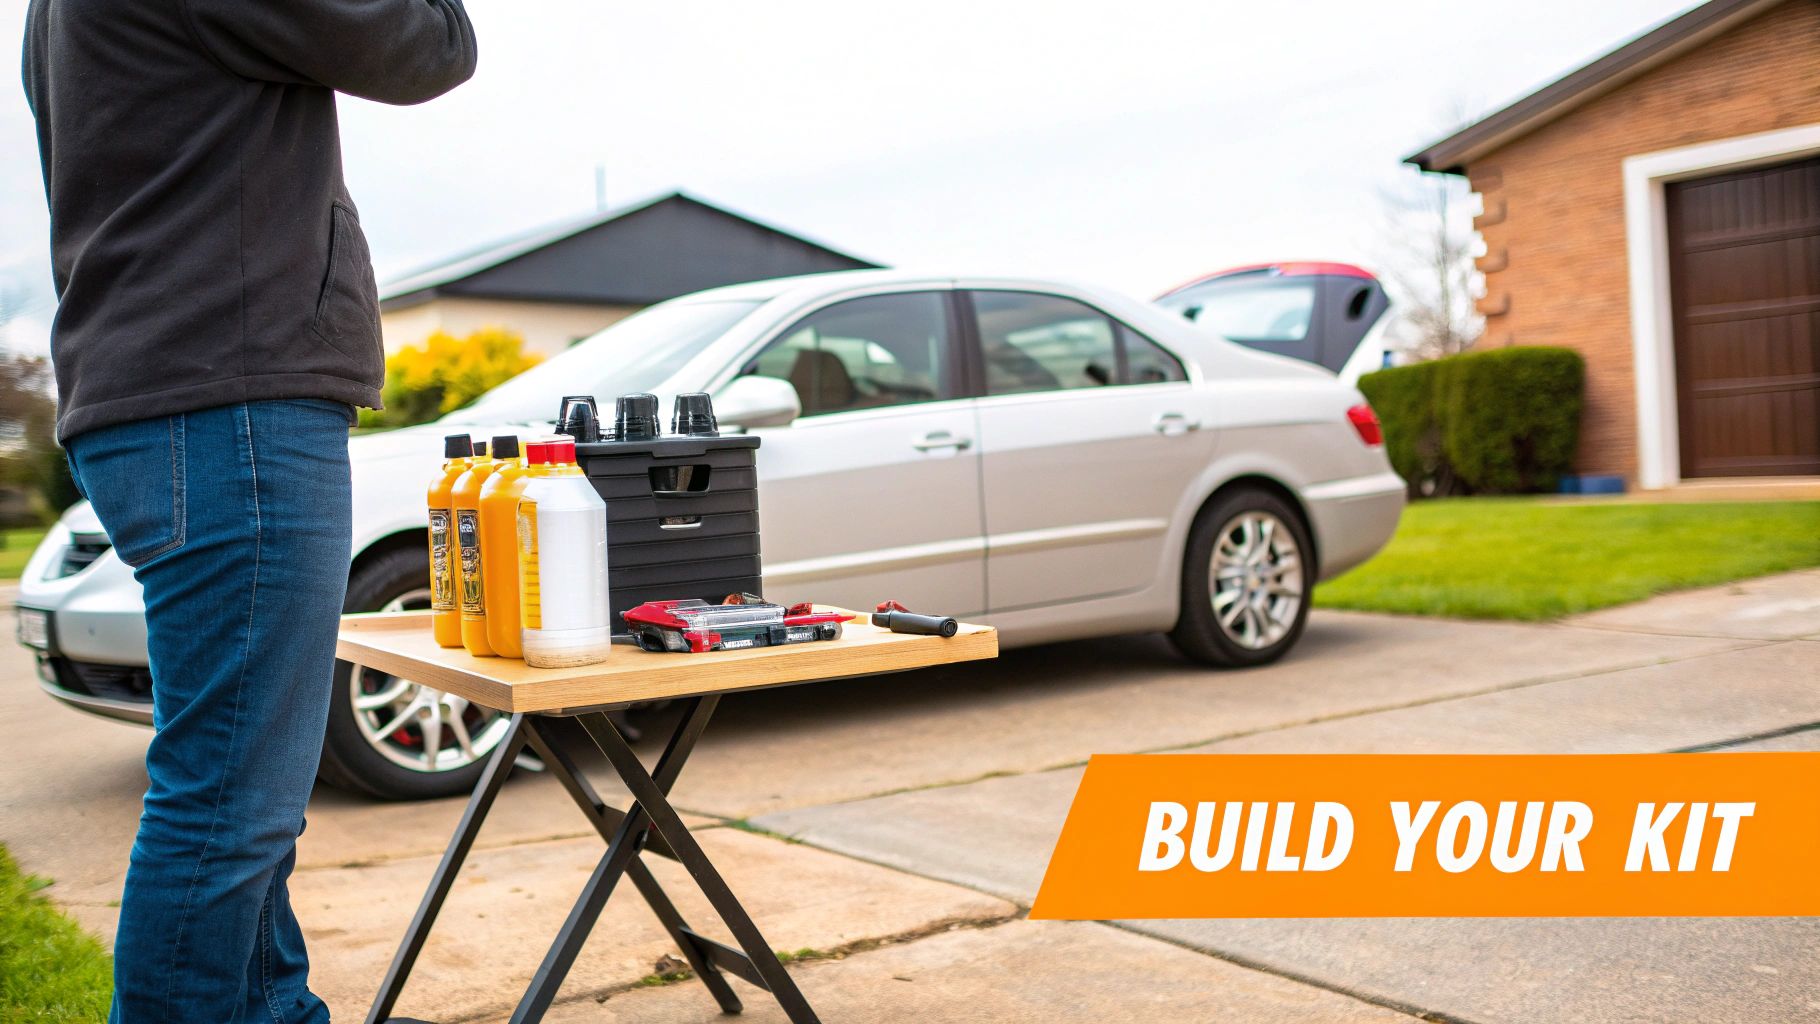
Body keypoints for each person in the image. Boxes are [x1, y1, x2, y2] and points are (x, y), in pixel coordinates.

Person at [23, 2, 478, 1020]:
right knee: (231, 804)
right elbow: (425, 45)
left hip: (171, 398)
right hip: (226, 405)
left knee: (239, 791)